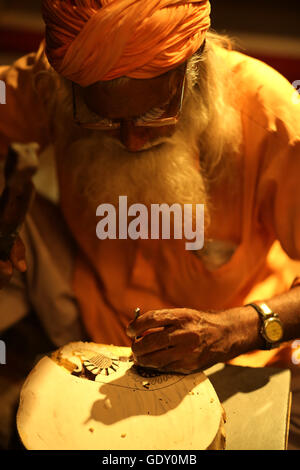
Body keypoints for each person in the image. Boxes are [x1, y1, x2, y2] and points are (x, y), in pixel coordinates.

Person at [0, 0, 300, 448]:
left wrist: (235, 329)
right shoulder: (57, 77)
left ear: (195, 73)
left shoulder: (271, 115)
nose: (130, 139)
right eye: (101, 118)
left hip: (228, 355)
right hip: (83, 328)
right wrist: (8, 209)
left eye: (153, 112)